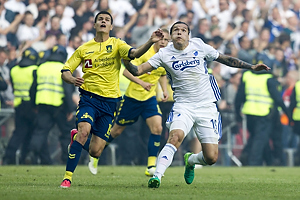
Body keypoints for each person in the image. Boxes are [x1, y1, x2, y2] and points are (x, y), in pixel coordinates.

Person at [122, 21, 270, 188]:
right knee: (174, 137)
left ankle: (191, 160)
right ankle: (157, 176)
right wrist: (125, 58)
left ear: (188, 35)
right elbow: (137, 70)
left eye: (183, 30)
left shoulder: (199, 45)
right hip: (183, 105)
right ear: (170, 36)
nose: (179, 32)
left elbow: (224, 59)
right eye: (175, 30)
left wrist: (251, 67)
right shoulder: (164, 54)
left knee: (211, 157)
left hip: (207, 106)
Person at [59, 11, 164, 188]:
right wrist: (72, 79)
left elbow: (134, 54)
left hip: (109, 103)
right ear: (94, 25)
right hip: (89, 98)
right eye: (100, 19)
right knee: (85, 132)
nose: (103, 21)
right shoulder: (83, 49)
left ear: (111, 26)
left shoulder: (117, 44)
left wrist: (150, 42)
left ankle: (75, 138)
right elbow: (65, 71)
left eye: (107, 20)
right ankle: (67, 177)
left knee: (96, 151)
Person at [87, 28, 171, 176]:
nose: (163, 42)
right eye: (161, 39)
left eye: (166, 40)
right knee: (116, 131)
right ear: (157, 39)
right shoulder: (146, 53)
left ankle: (151, 166)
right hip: (132, 98)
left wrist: (164, 90)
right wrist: (141, 83)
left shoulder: (165, 56)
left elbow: (162, 74)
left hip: (149, 99)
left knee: (157, 127)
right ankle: (94, 153)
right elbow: (126, 71)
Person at [29, 45, 76, 165]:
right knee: (66, 133)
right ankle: (67, 159)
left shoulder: (41, 67)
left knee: (40, 132)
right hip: (59, 106)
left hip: (43, 105)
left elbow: (33, 89)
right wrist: (70, 109)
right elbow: (67, 91)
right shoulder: (64, 69)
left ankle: (33, 155)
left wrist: (34, 105)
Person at [235, 68, 291, 166]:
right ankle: (253, 163)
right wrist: (288, 114)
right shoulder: (269, 79)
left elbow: (239, 96)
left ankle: (266, 160)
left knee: (256, 138)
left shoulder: (247, 76)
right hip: (264, 114)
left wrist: (237, 113)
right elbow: (277, 99)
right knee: (260, 140)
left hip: (249, 113)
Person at [2, 48, 38, 165]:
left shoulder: (14, 69)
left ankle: (9, 157)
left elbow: (12, 87)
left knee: (18, 133)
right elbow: (34, 89)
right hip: (31, 106)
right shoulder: (34, 69)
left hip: (18, 104)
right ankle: (26, 157)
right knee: (32, 133)